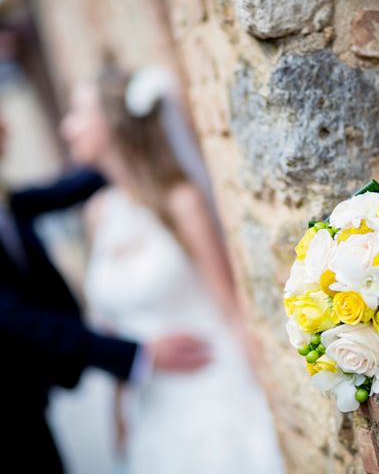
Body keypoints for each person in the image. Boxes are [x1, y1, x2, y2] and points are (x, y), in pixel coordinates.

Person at [0, 76, 210, 473]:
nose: (3, 126)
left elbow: (52, 195)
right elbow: (16, 318)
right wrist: (136, 355)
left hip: (21, 410)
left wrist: (120, 150)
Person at [60, 65, 285, 474]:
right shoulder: (98, 212)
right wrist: (117, 411)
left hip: (213, 386)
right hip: (150, 405)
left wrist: (267, 393)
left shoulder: (181, 202)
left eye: (78, 113)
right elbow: (112, 327)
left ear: (111, 122)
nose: (67, 127)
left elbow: (230, 305)